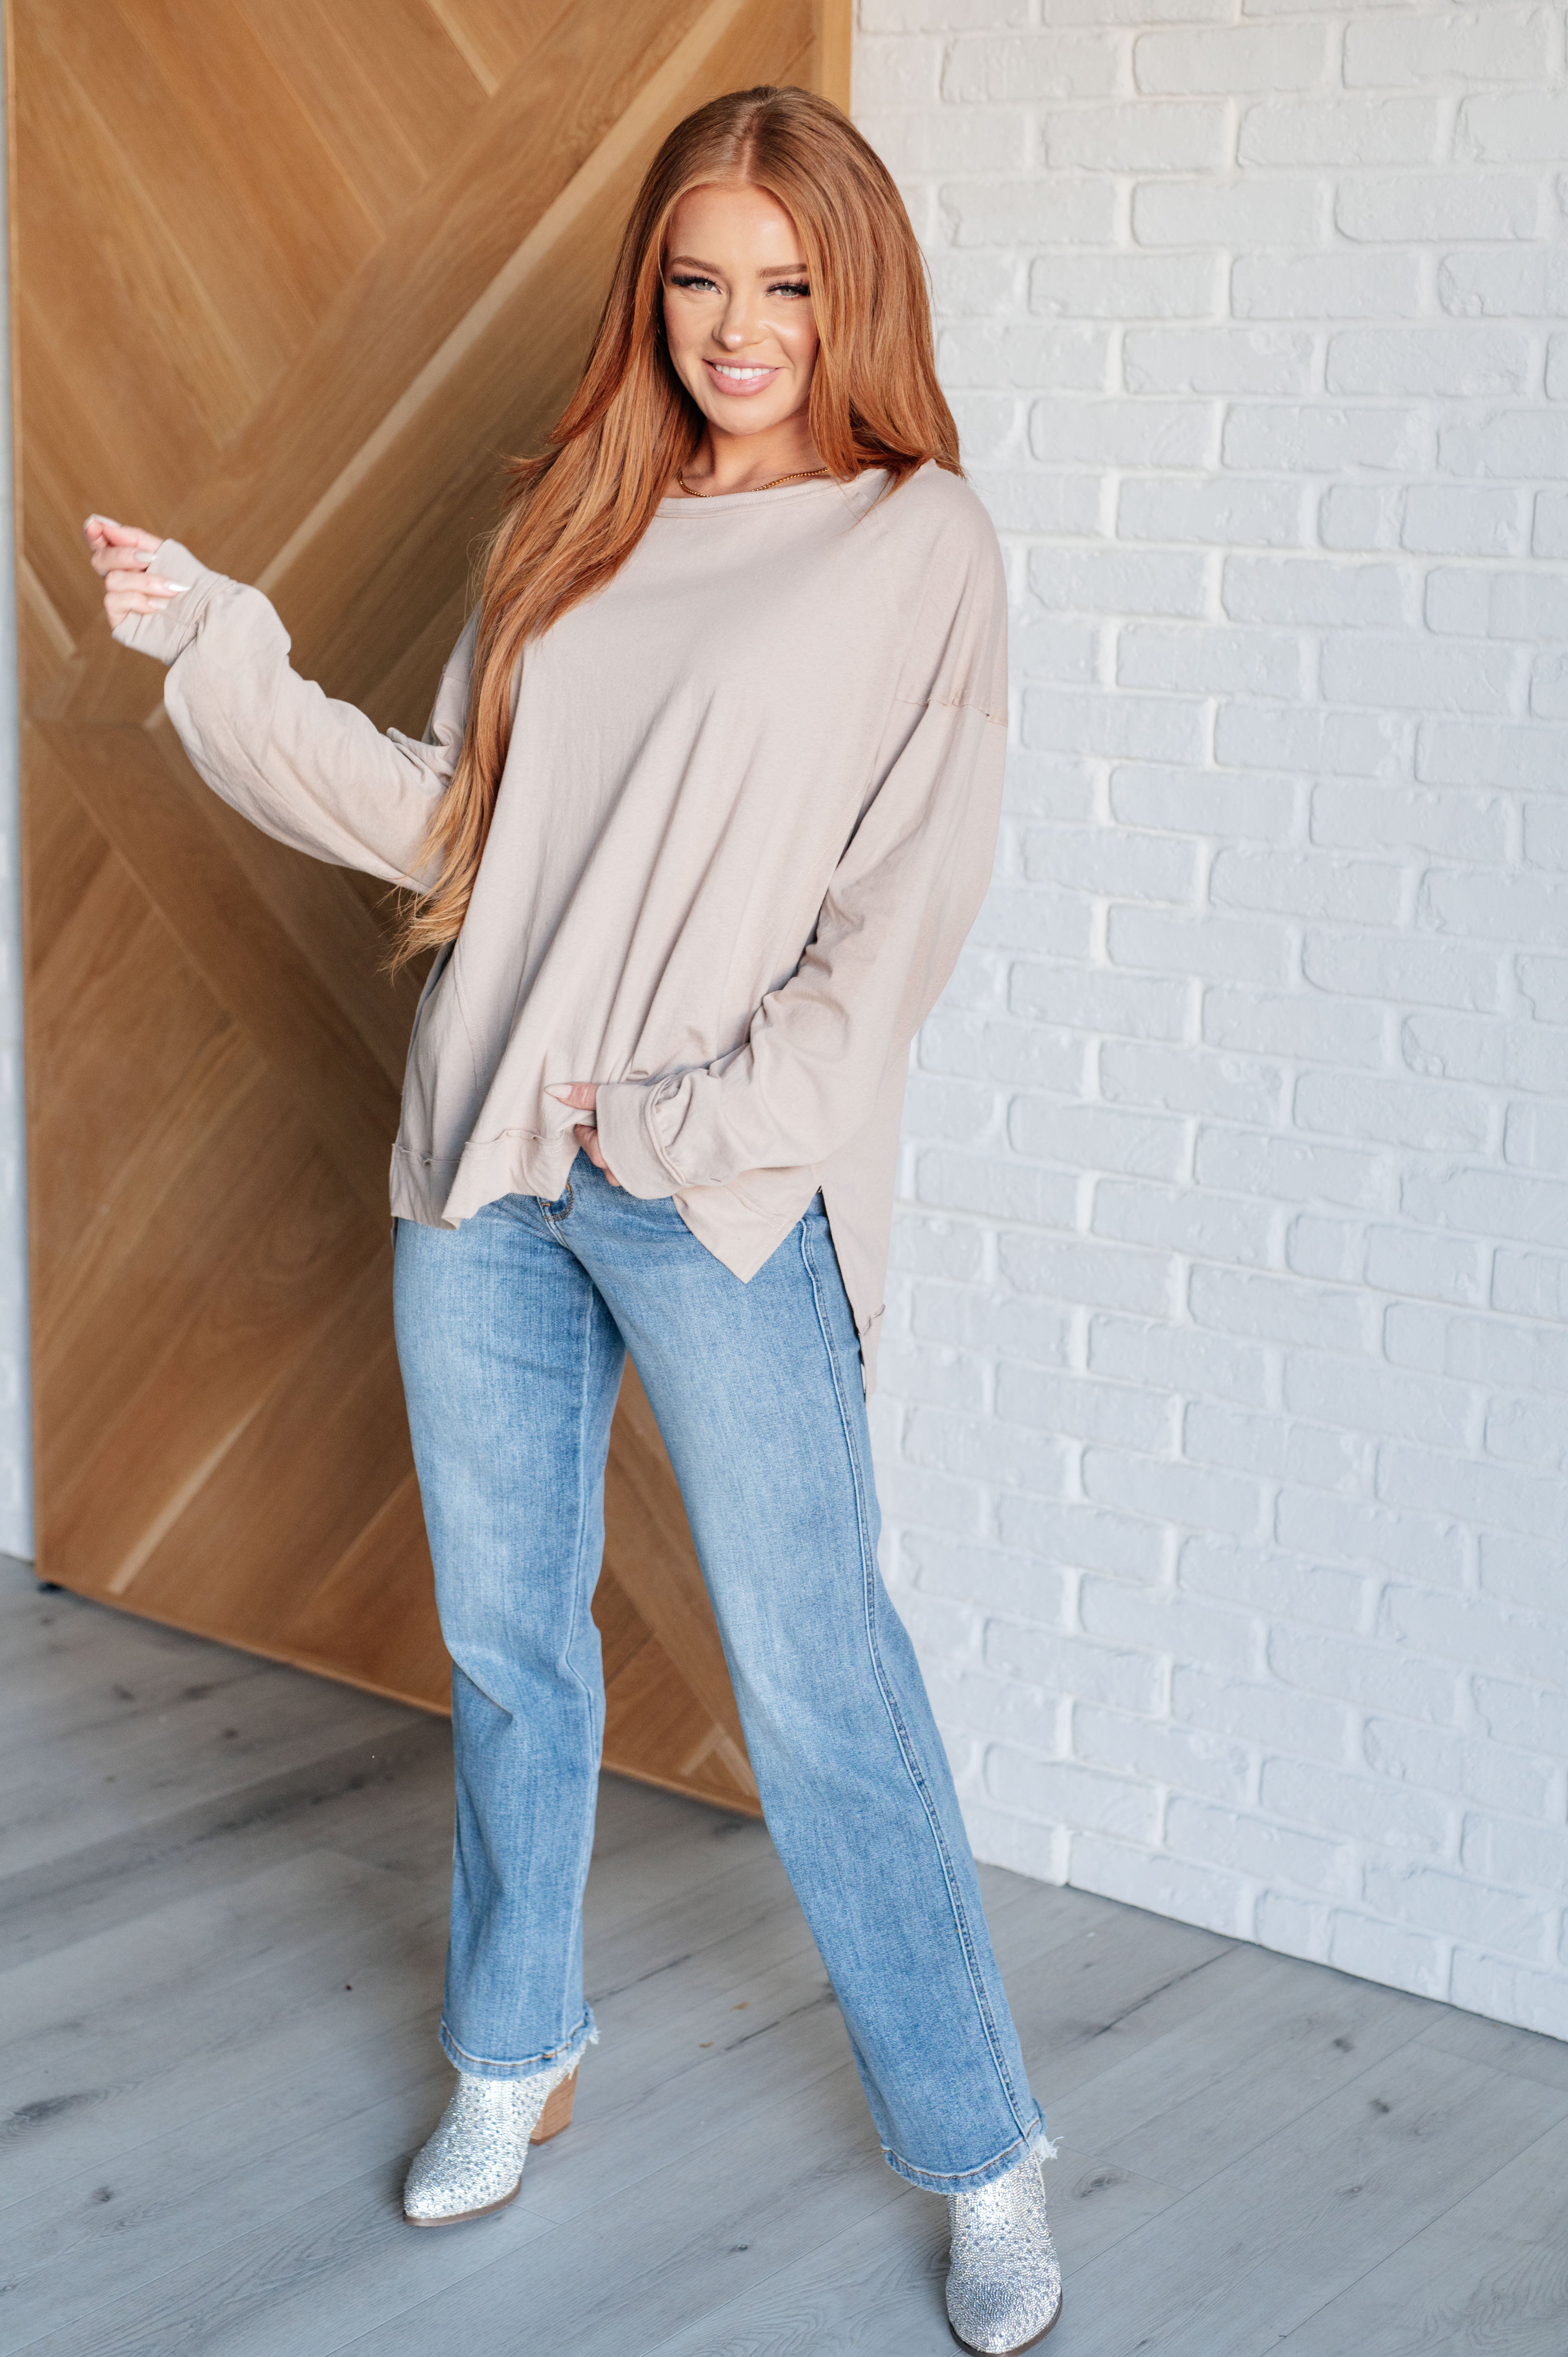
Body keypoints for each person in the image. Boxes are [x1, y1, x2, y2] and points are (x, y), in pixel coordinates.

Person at [85, 84, 1060, 2356]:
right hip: (486, 1186)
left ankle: (984, 2146)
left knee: (825, 1693)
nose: (740, 325)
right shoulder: (578, 521)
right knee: (516, 1656)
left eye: (788, 284)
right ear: (658, 289)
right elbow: (452, 830)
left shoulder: (921, 543)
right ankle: (512, 2051)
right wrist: (223, 648)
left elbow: (898, 921)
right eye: (702, 278)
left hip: (722, 1193)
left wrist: (714, 1116)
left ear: (856, 295)